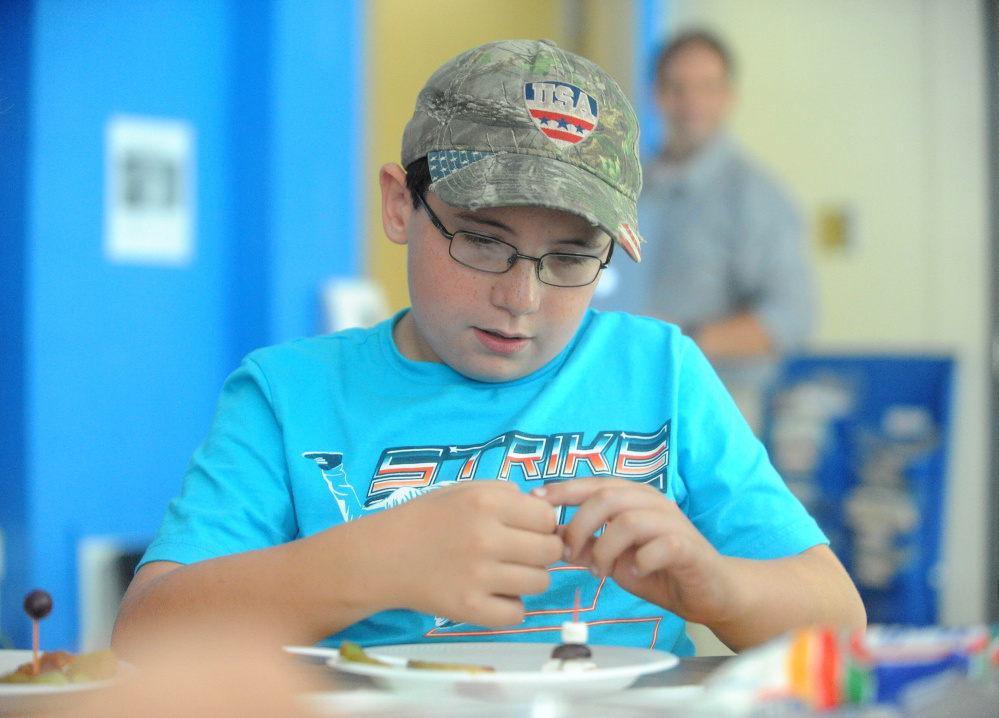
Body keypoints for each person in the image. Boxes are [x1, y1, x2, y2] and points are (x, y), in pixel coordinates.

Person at [112, 39, 863, 661]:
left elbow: (840, 625)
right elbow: (147, 638)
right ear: (400, 204)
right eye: (481, 240)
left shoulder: (660, 371)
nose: (521, 298)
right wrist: (372, 561)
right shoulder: (288, 394)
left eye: (571, 259)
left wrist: (718, 587)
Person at [592, 30, 815, 430]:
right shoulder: (625, 184)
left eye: (707, 87)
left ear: (728, 95)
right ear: (655, 94)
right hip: (619, 391)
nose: (691, 102)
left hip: (713, 405)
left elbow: (790, 316)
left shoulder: (758, 197)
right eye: (677, 87)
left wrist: (679, 337)